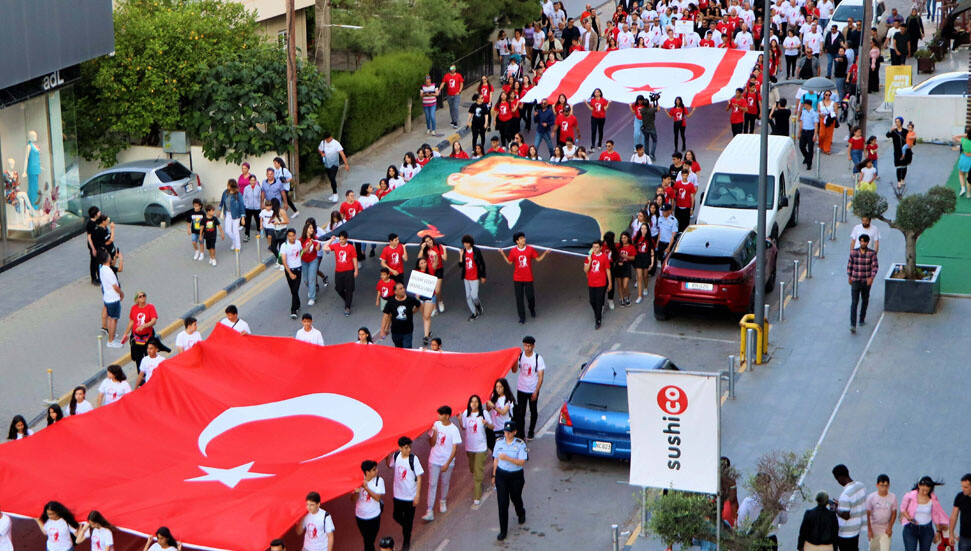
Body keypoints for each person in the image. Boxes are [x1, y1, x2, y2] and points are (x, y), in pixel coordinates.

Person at [499, 232, 551, 324]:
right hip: (517, 279)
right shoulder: (513, 251)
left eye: (524, 237)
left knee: (530, 297)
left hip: (528, 278)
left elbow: (538, 259)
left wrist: (545, 253)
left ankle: (532, 308)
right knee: (519, 299)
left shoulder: (530, 249)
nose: (524, 239)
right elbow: (510, 262)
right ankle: (522, 317)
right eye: (521, 238)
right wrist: (503, 254)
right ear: (517, 241)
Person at [422, 405, 462, 522]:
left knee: (445, 482)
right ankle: (429, 510)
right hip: (434, 459)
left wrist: (447, 463)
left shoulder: (454, 429)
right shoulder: (436, 425)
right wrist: (434, 432)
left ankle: (442, 500)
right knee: (432, 484)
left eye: (441, 414)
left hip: (447, 461)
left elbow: (454, 449)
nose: (438, 416)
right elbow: (432, 443)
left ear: (447, 416)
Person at [493, 420, 528, 541]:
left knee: (515, 497)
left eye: (509, 432)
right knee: (502, 502)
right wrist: (493, 475)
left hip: (515, 476)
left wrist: (507, 458)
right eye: (505, 432)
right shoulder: (499, 442)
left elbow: (522, 462)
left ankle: (521, 512)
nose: (506, 434)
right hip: (501, 475)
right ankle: (503, 530)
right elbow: (496, 460)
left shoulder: (520, 444)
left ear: (515, 432)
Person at [387, 437, 423, 551]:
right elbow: (389, 465)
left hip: (410, 496)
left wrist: (417, 495)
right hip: (398, 495)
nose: (409, 450)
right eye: (406, 448)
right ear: (400, 448)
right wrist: (387, 455)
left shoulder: (413, 459)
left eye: (409, 447)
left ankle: (406, 542)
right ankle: (407, 528)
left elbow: (419, 477)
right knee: (396, 516)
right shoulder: (396, 456)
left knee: (408, 519)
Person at [900, 476, 949, 551]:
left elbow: (936, 515)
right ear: (919, 485)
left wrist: (938, 531)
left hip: (927, 529)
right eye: (923, 490)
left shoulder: (933, 499)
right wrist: (908, 517)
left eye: (927, 490)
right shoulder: (909, 496)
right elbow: (903, 509)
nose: (925, 492)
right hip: (911, 528)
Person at [461, 394, 493, 506]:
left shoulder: (484, 413)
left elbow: (492, 427)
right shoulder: (466, 413)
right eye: (472, 402)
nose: (474, 404)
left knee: (478, 471)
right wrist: (459, 419)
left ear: (479, 403)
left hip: (481, 447)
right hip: (470, 447)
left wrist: (486, 423)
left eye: (476, 402)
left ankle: (477, 496)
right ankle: (478, 482)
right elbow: (463, 427)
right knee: (473, 469)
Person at [847, 233, 878, 333]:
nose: (863, 243)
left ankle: (862, 318)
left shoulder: (872, 254)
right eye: (861, 241)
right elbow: (850, 265)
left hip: (866, 281)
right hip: (855, 280)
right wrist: (849, 276)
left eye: (864, 242)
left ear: (868, 242)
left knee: (865, 300)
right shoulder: (853, 253)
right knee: (854, 302)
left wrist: (871, 278)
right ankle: (853, 324)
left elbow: (875, 267)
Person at [120, 290, 160, 369]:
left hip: (148, 338)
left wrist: (144, 326)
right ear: (137, 299)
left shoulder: (150, 307)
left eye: (144, 295)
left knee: (149, 358)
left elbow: (154, 321)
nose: (142, 297)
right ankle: (141, 374)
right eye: (140, 296)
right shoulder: (134, 308)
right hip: (136, 338)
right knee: (138, 360)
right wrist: (126, 333)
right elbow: (132, 321)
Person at [352, 460, 385, 551]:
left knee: (369, 539)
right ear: (367, 472)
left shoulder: (379, 481)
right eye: (374, 470)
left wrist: (366, 488)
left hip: (374, 515)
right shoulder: (358, 481)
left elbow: (377, 498)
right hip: (361, 517)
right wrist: (356, 492)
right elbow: (353, 500)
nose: (377, 471)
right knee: (367, 539)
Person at [832, 464, 867, 550]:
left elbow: (846, 515)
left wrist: (835, 509)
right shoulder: (861, 486)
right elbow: (854, 503)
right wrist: (840, 504)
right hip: (856, 529)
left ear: (840, 478)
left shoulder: (846, 494)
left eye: (837, 479)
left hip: (846, 533)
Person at [325, 230, 359, 316]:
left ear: (346, 239)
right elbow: (325, 248)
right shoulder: (336, 246)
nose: (341, 241)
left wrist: (356, 270)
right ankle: (347, 300)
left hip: (349, 271)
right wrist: (331, 240)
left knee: (349, 289)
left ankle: (347, 307)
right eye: (340, 239)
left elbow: (354, 258)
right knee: (338, 288)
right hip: (339, 271)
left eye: (343, 239)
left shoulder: (351, 247)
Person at [380, 283, 421, 348]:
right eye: (400, 289)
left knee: (407, 349)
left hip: (407, 331)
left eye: (403, 288)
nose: (403, 290)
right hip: (395, 332)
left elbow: (418, 305)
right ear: (395, 292)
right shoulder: (391, 302)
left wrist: (413, 312)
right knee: (398, 349)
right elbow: (385, 316)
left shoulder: (411, 299)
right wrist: (382, 330)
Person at [98, 250, 124, 348]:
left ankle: (111, 336)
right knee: (113, 319)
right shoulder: (109, 272)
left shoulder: (102, 268)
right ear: (108, 258)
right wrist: (121, 293)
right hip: (113, 298)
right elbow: (115, 287)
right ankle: (111, 341)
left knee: (110, 318)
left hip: (107, 297)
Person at [866, 474, 898, 551]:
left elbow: (894, 513)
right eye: (882, 485)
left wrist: (890, 527)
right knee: (873, 549)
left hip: (885, 529)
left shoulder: (893, 497)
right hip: (874, 528)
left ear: (889, 486)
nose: (884, 488)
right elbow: (867, 514)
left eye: (886, 486)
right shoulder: (871, 497)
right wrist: (869, 530)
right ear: (877, 485)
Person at [584, 240, 611, 329]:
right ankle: (597, 313)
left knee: (599, 301)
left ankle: (598, 320)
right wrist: (590, 261)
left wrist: (610, 283)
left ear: (600, 248)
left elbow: (607, 270)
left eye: (596, 247)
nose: (595, 249)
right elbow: (585, 269)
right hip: (591, 283)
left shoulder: (604, 257)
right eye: (593, 247)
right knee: (592, 301)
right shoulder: (589, 256)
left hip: (601, 283)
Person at [460, 234, 487, 321]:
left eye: (468, 243)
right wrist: (460, 256)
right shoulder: (463, 252)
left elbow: (482, 263)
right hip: (466, 277)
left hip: (475, 277)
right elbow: (461, 265)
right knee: (468, 296)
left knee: (474, 296)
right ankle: (474, 313)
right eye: (464, 243)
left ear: (471, 243)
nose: (466, 245)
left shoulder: (476, 251)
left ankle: (478, 305)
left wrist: (483, 276)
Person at [418, 235, 447, 313]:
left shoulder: (438, 247)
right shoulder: (426, 249)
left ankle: (440, 301)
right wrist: (422, 248)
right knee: (430, 290)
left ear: (432, 240)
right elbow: (419, 258)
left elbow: (444, 258)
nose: (429, 242)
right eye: (427, 241)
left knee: (437, 290)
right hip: (429, 271)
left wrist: (444, 249)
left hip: (438, 270)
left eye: (430, 240)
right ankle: (434, 308)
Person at [318, 132, 350, 203]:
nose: (327, 140)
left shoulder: (336, 143)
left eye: (328, 139)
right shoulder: (323, 143)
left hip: (334, 164)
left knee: (332, 178)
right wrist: (322, 153)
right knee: (330, 179)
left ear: (331, 137)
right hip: (327, 164)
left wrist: (346, 164)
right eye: (326, 139)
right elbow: (319, 149)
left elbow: (342, 154)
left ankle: (335, 194)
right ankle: (333, 193)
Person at [299, 221, 323, 306]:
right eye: (310, 228)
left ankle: (312, 297)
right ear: (306, 229)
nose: (312, 229)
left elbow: (317, 249)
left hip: (313, 261)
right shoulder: (301, 240)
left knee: (312, 279)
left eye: (312, 228)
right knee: (306, 280)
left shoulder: (315, 238)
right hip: (304, 261)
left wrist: (318, 243)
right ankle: (311, 290)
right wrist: (309, 245)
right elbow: (302, 251)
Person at [886, 117, 912, 191]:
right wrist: (891, 130)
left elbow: (912, 139)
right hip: (897, 152)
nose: (897, 123)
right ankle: (898, 182)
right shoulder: (894, 131)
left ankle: (903, 179)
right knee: (898, 167)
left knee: (904, 166)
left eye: (898, 122)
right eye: (896, 122)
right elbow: (887, 135)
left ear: (901, 122)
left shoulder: (906, 131)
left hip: (905, 152)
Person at [219, 179, 244, 252]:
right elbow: (222, 202)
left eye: (228, 185)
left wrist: (243, 217)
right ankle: (234, 241)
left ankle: (238, 247)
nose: (227, 186)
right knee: (228, 231)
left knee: (235, 231)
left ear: (232, 186)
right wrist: (219, 209)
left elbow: (242, 205)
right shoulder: (225, 192)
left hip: (236, 215)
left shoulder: (238, 194)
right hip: (228, 213)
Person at [949, 473, 971, 551]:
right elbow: (954, 516)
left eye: (966, 487)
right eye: (962, 486)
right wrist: (951, 534)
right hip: (964, 537)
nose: (963, 489)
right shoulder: (959, 497)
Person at [799, 99, 820, 170]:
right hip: (804, 131)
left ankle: (809, 163)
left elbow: (816, 124)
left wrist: (815, 134)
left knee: (810, 148)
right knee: (801, 146)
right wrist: (799, 131)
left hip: (810, 132)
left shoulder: (814, 113)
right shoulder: (804, 112)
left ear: (807, 104)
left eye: (804, 104)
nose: (804, 106)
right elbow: (801, 121)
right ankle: (807, 157)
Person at [817, 91, 838, 155]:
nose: (827, 96)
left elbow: (836, 112)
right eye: (826, 95)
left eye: (829, 95)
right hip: (822, 119)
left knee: (829, 135)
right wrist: (820, 114)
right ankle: (821, 145)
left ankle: (827, 149)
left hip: (830, 119)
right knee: (822, 134)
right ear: (824, 95)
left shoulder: (833, 103)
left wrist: (831, 114)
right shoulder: (820, 103)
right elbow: (818, 111)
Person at [242, 173, 262, 242]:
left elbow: (260, 197)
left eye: (254, 180)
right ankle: (247, 235)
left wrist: (260, 205)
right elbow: (244, 198)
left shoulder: (258, 188)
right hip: (248, 208)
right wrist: (246, 205)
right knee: (247, 222)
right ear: (249, 181)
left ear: (256, 181)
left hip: (257, 208)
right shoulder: (246, 188)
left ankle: (259, 232)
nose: (253, 182)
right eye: (251, 180)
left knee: (258, 221)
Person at [86, 206, 102, 285]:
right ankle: (94, 278)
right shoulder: (90, 224)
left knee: (99, 261)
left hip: (99, 244)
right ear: (95, 214)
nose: (100, 212)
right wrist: (93, 249)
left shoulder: (98, 221)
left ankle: (100, 276)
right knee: (94, 261)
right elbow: (89, 237)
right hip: (94, 245)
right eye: (98, 212)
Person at [639, 96, 659, 160]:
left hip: (645, 128)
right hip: (652, 128)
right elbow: (658, 109)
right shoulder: (651, 110)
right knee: (654, 141)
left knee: (646, 141)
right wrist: (656, 101)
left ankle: (647, 154)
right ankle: (652, 154)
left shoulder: (642, 110)